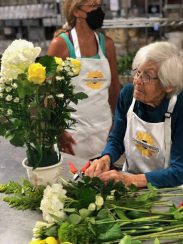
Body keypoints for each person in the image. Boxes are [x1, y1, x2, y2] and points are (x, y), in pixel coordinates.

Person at [85, 41, 183, 188]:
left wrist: (133, 180)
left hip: (168, 190)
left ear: (168, 85)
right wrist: (106, 158)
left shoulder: (179, 107)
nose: (137, 81)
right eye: (138, 72)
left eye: (146, 76)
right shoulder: (128, 95)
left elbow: (179, 171)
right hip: (129, 184)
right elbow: (116, 139)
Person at [48, 0, 120, 159]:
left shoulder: (106, 44)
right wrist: (58, 130)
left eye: (99, 6)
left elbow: (114, 87)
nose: (98, 11)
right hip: (72, 136)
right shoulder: (60, 45)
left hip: (104, 131)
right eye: (93, 7)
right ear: (76, 11)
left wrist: (117, 124)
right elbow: (48, 93)